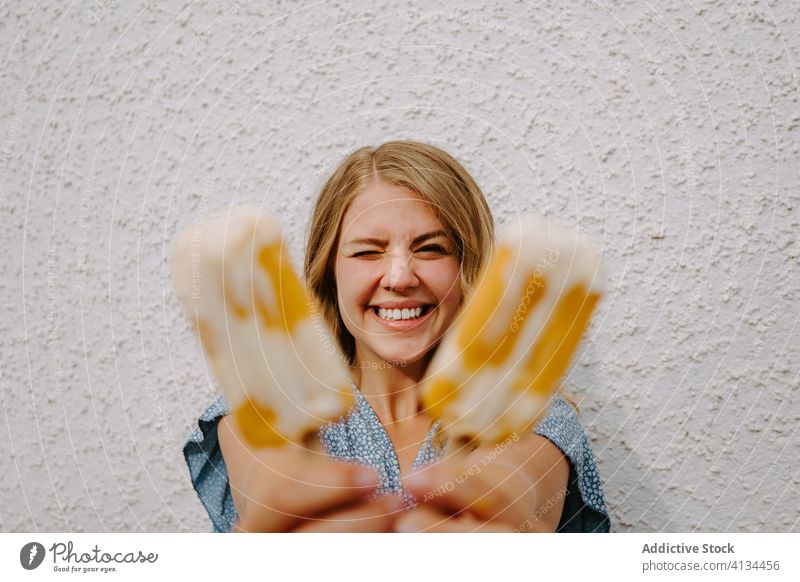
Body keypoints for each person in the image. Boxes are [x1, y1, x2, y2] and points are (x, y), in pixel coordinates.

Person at [182, 140, 611, 532]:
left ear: (470, 272)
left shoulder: (533, 417)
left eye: (431, 248)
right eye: (367, 251)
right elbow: (270, 479)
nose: (400, 277)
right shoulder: (252, 413)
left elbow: (515, 485)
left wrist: (490, 514)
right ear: (330, 271)